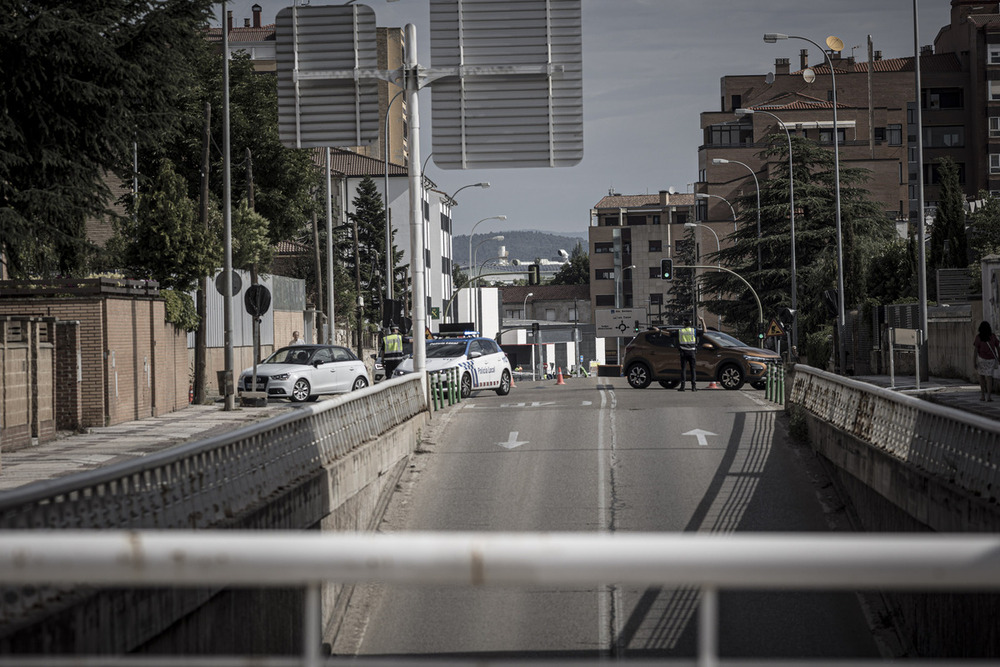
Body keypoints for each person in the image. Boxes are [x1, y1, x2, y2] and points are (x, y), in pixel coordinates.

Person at [973, 320, 1000, 402]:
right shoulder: (993, 337)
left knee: (981, 377)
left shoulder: (978, 337)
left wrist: (974, 361)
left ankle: (982, 395)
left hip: (981, 359)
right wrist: (999, 357)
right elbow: (998, 347)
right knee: (989, 378)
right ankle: (989, 396)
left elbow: (976, 351)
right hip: (991, 360)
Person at [678, 318, 698, 392]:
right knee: (693, 369)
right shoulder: (694, 331)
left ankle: (682, 387)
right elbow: (705, 331)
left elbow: (669, 334)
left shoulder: (681, 331)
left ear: (684, 324)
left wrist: (660, 331)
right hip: (692, 352)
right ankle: (693, 387)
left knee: (683, 369)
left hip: (683, 352)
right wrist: (702, 321)